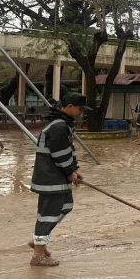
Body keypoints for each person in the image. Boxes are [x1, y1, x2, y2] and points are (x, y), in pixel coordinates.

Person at [28, 92, 91, 266]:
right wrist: (70, 172)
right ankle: (38, 255)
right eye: (79, 109)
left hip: (56, 177)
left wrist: (75, 170)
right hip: (51, 178)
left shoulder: (62, 124)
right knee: (48, 215)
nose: (80, 113)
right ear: (69, 106)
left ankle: (38, 241)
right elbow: (60, 154)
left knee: (66, 206)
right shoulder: (58, 126)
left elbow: (68, 150)